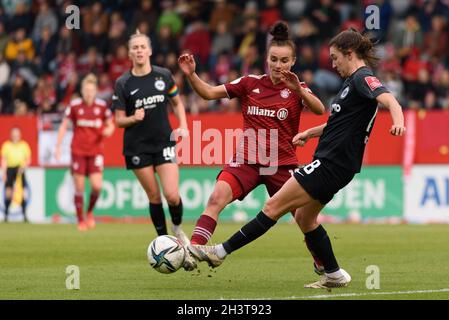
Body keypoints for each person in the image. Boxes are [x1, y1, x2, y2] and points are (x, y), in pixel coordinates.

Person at [188, 28, 406, 289]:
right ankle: (334, 274)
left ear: (349, 54)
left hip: (323, 163)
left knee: (273, 208)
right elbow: (337, 123)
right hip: (319, 163)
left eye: (335, 58)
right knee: (304, 218)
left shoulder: (361, 78)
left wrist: (399, 122)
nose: (333, 64)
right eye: (273, 59)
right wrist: (310, 133)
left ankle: (220, 252)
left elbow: (389, 99)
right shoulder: (350, 82)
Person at [178, 21, 326, 272]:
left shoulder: (297, 88)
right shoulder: (249, 83)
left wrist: (298, 90)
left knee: (303, 217)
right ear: (267, 59)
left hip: (282, 164)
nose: (278, 65)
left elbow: (320, 109)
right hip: (247, 160)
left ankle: (323, 263)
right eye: (274, 59)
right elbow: (208, 94)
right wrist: (191, 75)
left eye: (284, 60)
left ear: (293, 62)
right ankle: (193, 250)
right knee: (216, 199)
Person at [112, 30, 192, 266]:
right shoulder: (123, 83)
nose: (138, 50)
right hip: (137, 147)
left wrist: (184, 126)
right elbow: (118, 120)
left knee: (172, 194)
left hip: (163, 141)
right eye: (134, 47)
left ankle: (177, 229)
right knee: (154, 196)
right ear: (129, 53)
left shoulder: (164, 76)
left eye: (142, 47)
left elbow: (177, 103)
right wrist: (132, 118)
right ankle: (165, 243)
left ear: (149, 50)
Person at [55, 73, 115, 231]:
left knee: (97, 186)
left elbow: (111, 124)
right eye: (86, 90)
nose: (89, 93)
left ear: (95, 91)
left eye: (91, 90)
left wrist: (108, 130)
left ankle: (89, 212)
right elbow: (63, 125)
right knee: (79, 187)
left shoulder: (101, 106)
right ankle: (80, 219)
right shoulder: (75, 105)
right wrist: (58, 146)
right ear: (82, 91)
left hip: (95, 152)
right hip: (78, 151)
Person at [1, 127, 31, 222]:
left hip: (20, 170)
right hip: (10, 170)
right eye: (13, 134)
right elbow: (4, 160)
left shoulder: (24, 145)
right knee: (8, 192)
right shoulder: (6, 145)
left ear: (20, 135)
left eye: (17, 134)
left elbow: (28, 159)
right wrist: (4, 173)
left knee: (21, 192)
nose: (15, 136)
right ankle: (6, 215)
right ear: (11, 135)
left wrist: (23, 167)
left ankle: (24, 215)